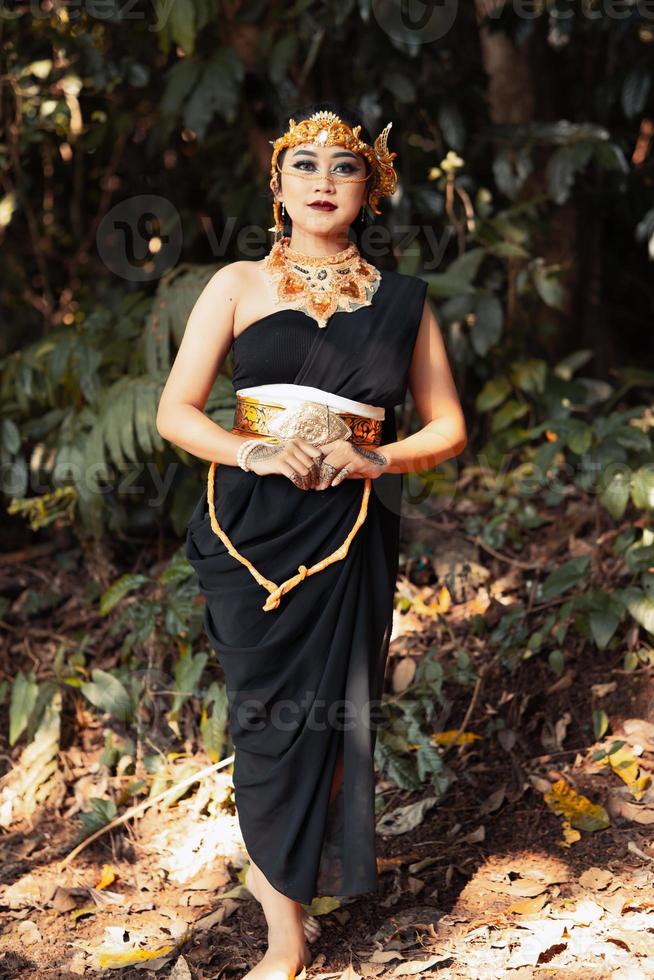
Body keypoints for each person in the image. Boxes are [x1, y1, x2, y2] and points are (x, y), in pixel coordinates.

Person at [156, 101, 467, 980]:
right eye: (305, 166)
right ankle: (282, 930)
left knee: (332, 718)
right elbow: (175, 410)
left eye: (344, 166)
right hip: (249, 526)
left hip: (352, 525)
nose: (323, 180)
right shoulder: (236, 284)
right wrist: (255, 448)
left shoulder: (403, 301)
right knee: (265, 720)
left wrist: (379, 458)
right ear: (278, 187)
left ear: (372, 188)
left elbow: (447, 426)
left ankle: (292, 923)